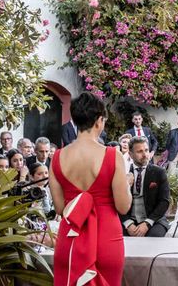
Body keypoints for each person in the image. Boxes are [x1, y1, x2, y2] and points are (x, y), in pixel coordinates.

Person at [49, 92, 131, 286]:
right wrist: (126, 182)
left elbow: (60, 208)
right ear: (99, 121)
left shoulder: (57, 157)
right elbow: (123, 206)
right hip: (106, 238)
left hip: (71, 238)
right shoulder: (113, 155)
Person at [120, 136, 171, 237]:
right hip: (129, 220)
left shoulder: (159, 172)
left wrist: (148, 222)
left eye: (146, 150)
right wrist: (127, 223)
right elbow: (116, 202)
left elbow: (164, 201)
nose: (145, 155)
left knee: (154, 238)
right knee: (118, 238)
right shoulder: (122, 173)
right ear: (130, 154)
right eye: (139, 151)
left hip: (154, 221)